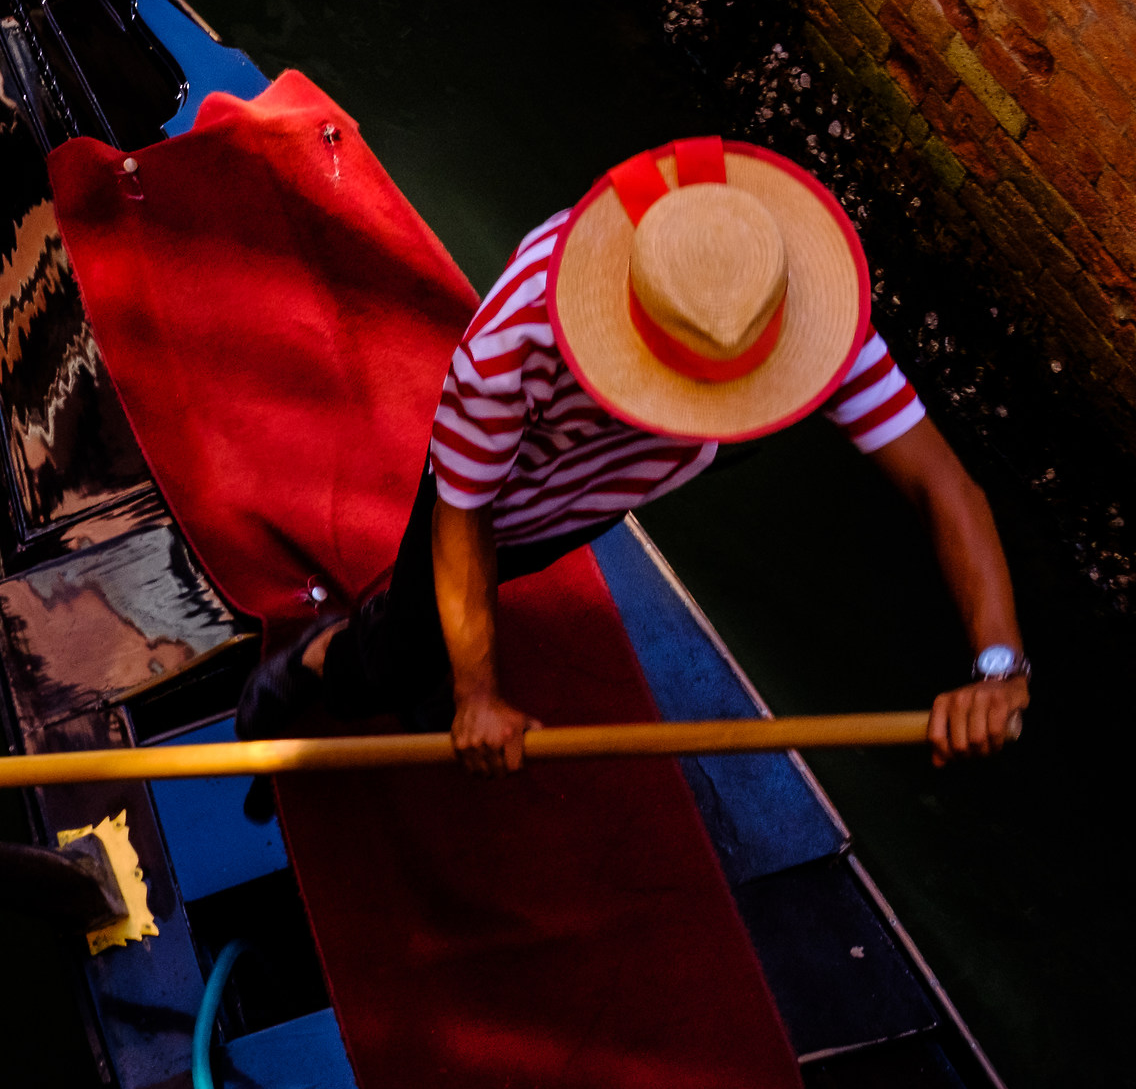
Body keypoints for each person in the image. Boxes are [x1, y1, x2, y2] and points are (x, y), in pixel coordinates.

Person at [237, 135, 1030, 777]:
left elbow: (941, 483)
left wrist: (1000, 668)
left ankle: (427, 660)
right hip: (506, 493)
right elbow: (466, 508)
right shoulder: (514, 339)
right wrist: (480, 693)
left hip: (614, 485)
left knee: (484, 600)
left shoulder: (790, 312)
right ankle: (327, 658)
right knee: (402, 651)